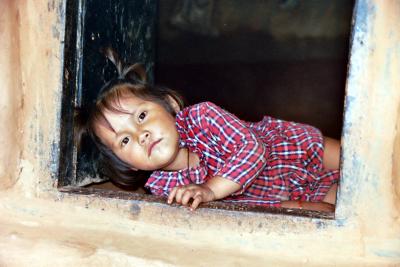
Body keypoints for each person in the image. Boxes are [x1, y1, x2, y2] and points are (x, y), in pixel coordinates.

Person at [76, 48, 340, 212]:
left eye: (142, 116)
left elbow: (254, 151)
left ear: (169, 105)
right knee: (334, 213)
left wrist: (210, 190)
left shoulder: (203, 118)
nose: (140, 134)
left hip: (293, 153)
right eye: (124, 140)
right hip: (280, 198)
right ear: (128, 165)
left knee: (364, 164)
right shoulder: (164, 191)